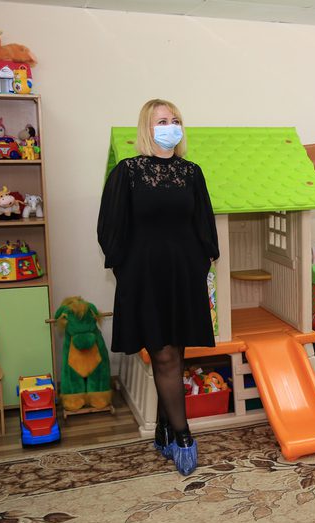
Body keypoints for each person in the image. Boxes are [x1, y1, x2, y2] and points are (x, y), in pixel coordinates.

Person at [97, 99, 219, 476]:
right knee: (164, 356)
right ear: (147, 129)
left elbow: (204, 224)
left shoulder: (191, 172)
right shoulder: (128, 171)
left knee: (176, 355)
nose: (171, 126)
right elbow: (109, 228)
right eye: (162, 120)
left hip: (183, 277)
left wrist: (201, 265)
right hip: (144, 278)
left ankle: (165, 427)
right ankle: (183, 435)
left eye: (175, 120)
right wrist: (127, 273)